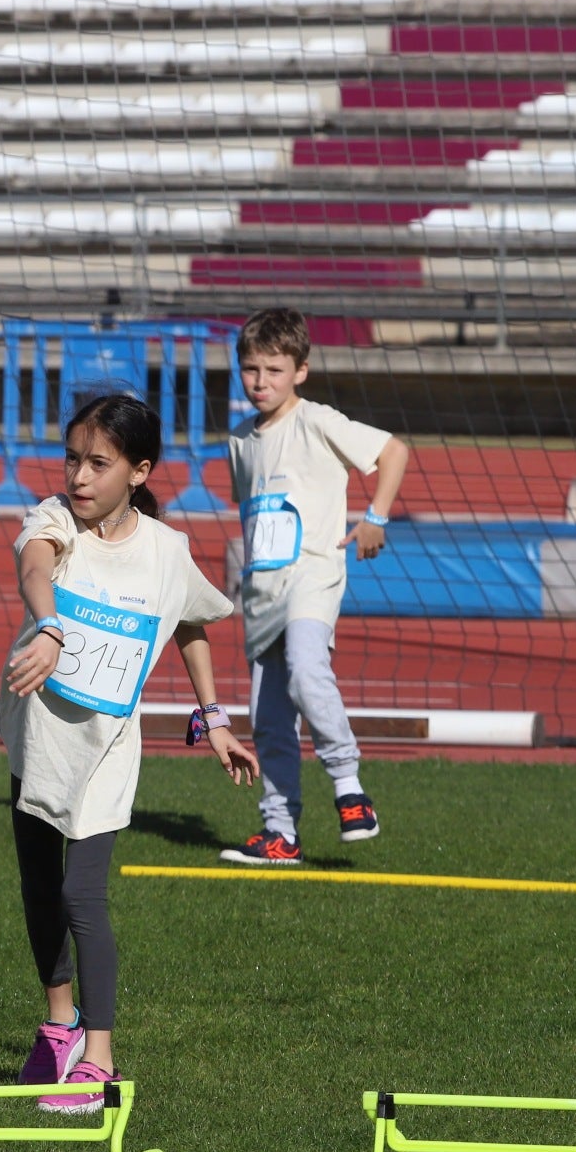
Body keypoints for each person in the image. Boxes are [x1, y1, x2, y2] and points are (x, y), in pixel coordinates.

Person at [2, 395, 259, 1112]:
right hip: (37, 735)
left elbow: (191, 623)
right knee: (38, 887)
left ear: (139, 472)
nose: (79, 476)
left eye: (99, 463)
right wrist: (49, 625)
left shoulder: (167, 551)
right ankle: (60, 1026)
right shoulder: (55, 520)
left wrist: (214, 719)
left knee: (81, 894)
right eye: (72, 459)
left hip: (108, 749)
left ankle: (100, 1061)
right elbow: (34, 569)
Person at [221, 307, 410, 867]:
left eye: (275, 370)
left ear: (300, 371)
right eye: (251, 369)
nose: (261, 381)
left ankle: (350, 789)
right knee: (269, 721)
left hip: (313, 577)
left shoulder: (317, 421)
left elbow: (393, 451)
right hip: (262, 593)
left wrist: (376, 518)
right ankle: (280, 834)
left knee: (307, 670)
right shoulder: (239, 441)